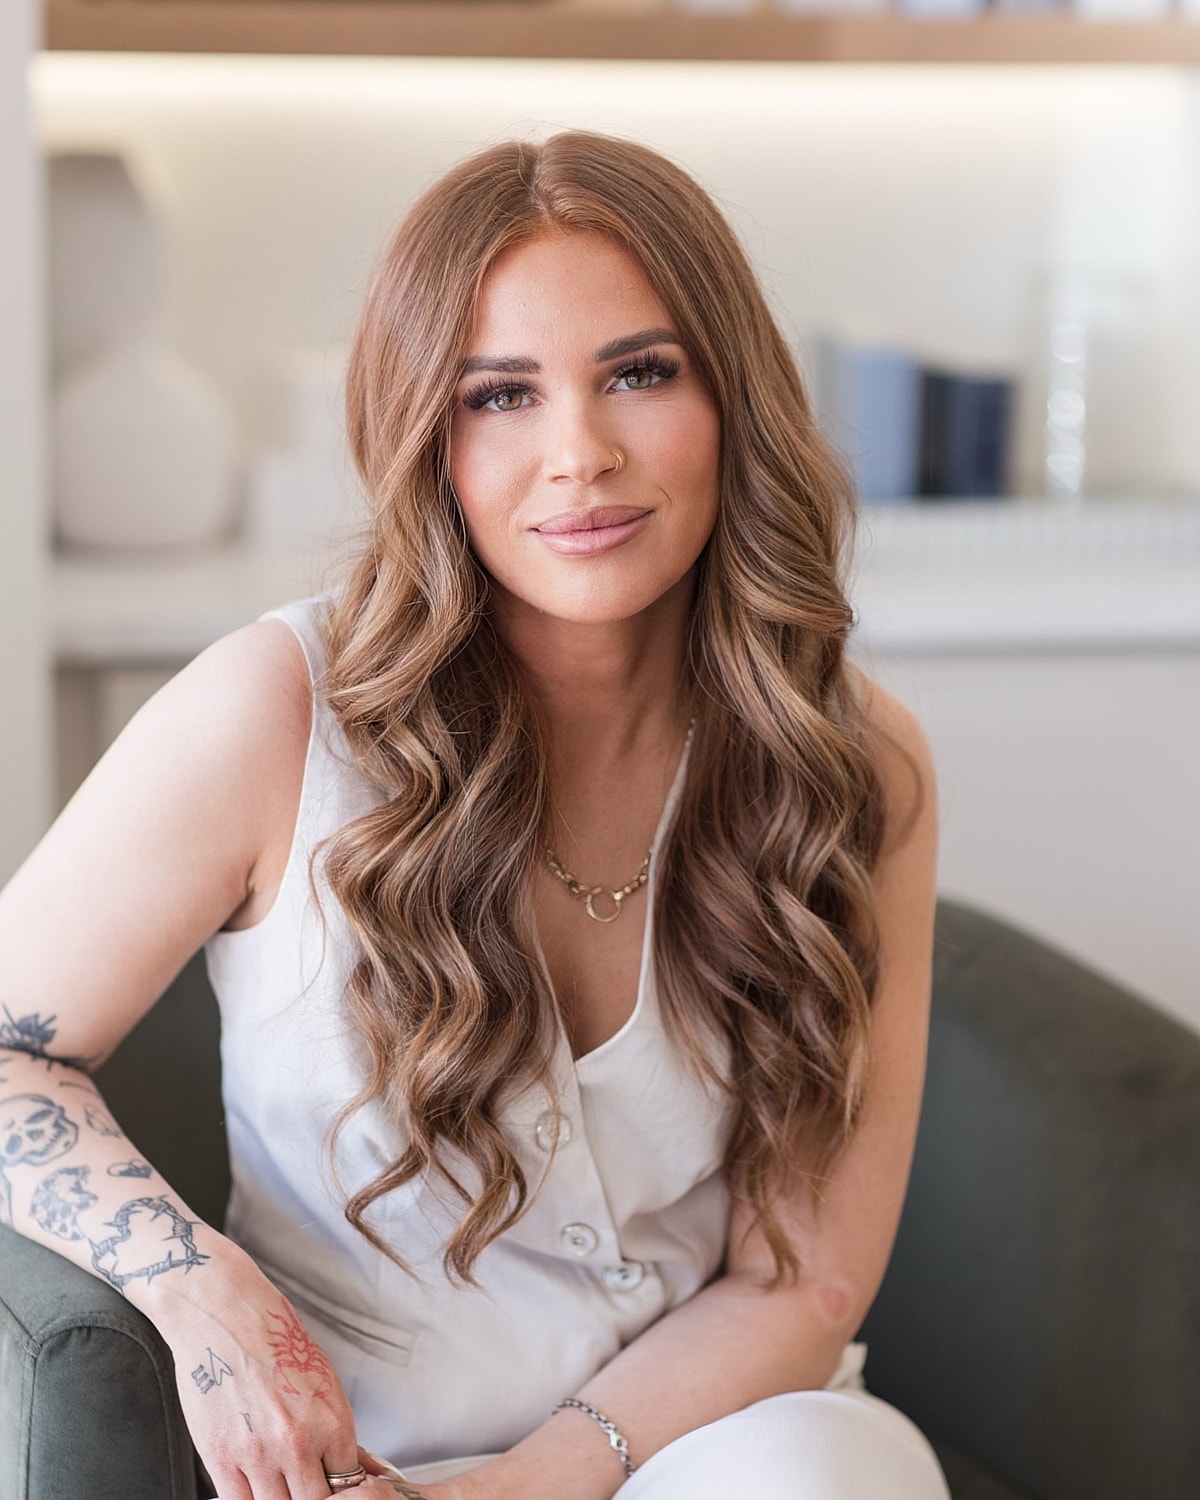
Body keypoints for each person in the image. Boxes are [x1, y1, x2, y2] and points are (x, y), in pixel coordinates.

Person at [0, 130, 946, 1500]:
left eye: (640, 371)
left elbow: (805, 1284)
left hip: (701, 1446)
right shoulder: (279, 710)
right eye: (500, 395)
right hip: (352, 1467)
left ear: (731, 395)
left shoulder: (852, 760)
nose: (580, 454)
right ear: (422, 436)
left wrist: (520, 1489)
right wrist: (196, 1289)